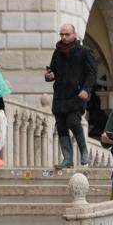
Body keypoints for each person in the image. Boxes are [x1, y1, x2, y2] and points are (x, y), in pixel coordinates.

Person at [45, 23, 97, 168]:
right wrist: (49, 76)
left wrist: (86, 89)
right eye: (61, 35)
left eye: (67, 34)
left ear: (74, 35)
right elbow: (52, 72)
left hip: (77, 95)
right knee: (61, 126)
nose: (64, 37)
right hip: (60, 95)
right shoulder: (57, 52)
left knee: (73, 122)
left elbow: (92, 74)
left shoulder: (85, 52)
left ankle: (84, 151)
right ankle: (67, 158)